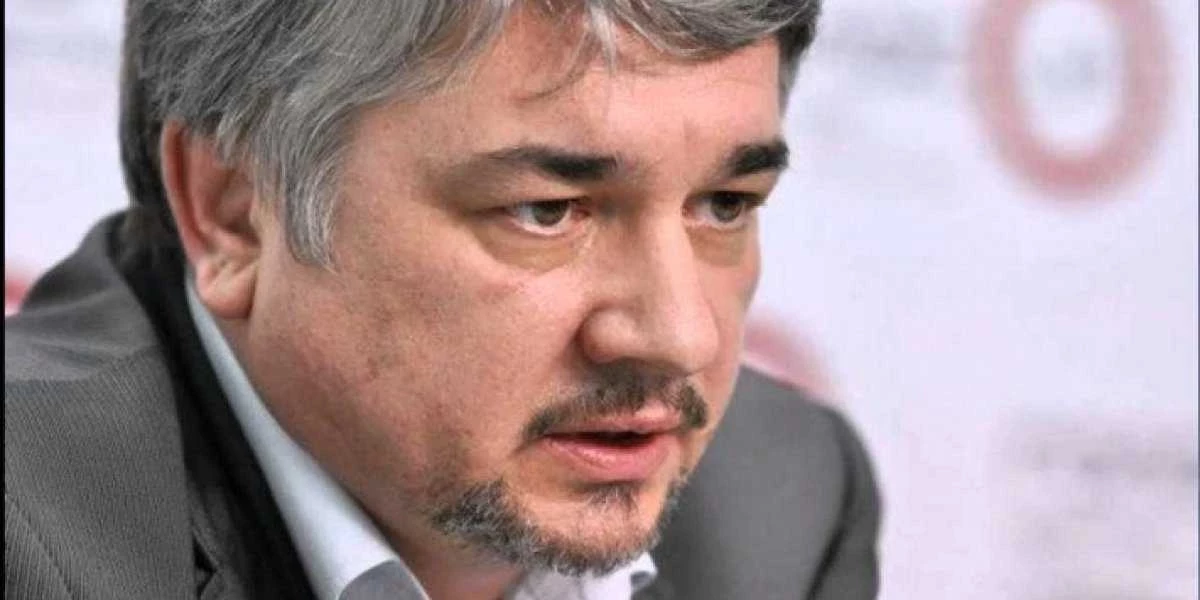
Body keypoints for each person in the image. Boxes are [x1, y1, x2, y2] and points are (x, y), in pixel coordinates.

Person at [4, 1, 880, 598]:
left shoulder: (785, 502)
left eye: (724, 205)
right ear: (237, 214)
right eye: (547, 211)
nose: (679, 336)